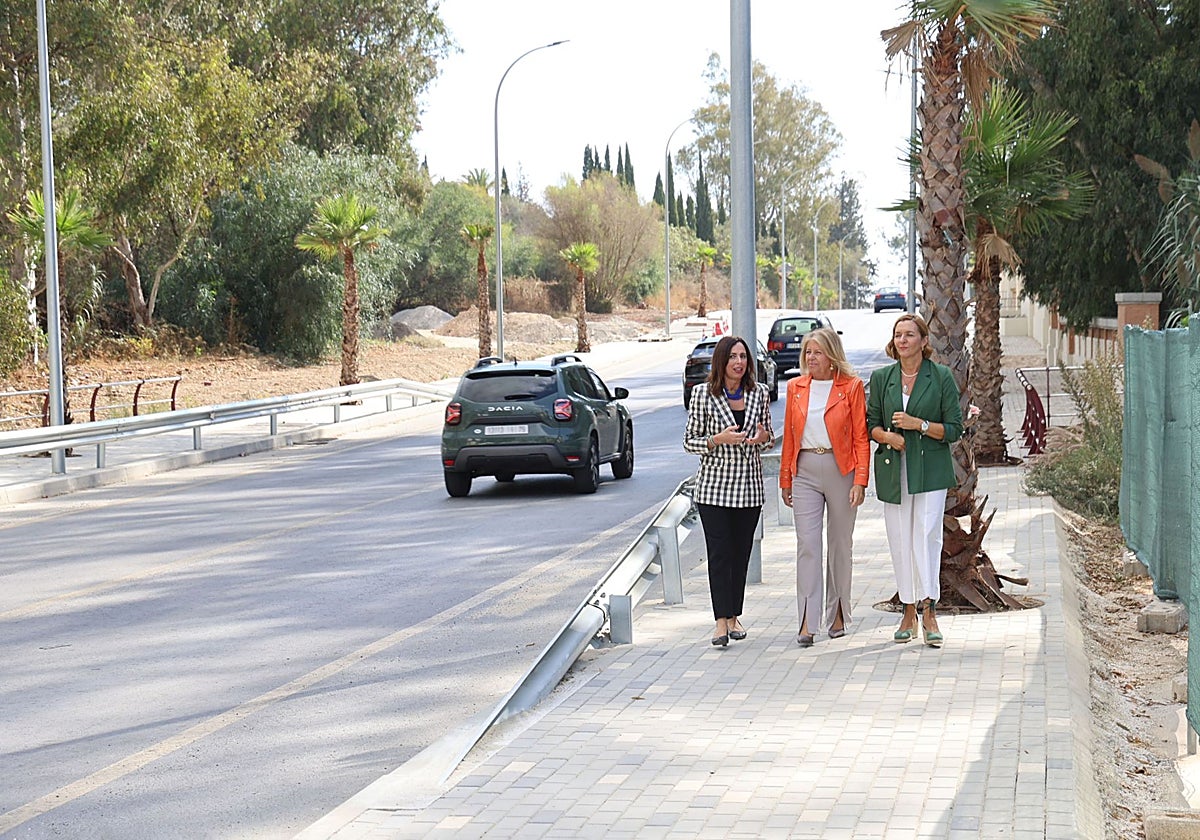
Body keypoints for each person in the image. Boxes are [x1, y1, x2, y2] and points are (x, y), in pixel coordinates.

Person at [866, 314, 964, 647]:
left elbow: (953, 429)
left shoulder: (940, 377)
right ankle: (907, 610)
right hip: (895, 468)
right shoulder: (882, 378)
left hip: (931, 470)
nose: (903, 340)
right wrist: (889, 438)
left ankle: (929, 608)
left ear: (924, 340)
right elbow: (872, 425)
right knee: (899, 537)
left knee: (926, 534)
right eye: (898, 335)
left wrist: (917, 424)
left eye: (910, 334)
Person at [778, 328, 869, 647]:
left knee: (840, 544)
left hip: (841, 469)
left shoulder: (851, 387)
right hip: (804, 470)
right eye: (807, 352)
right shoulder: (796, 388)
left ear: (832, 356)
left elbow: (861, 436)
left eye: (817, 352)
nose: (811, 358)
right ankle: (807, 619)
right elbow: (789, 435)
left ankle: (839, 613)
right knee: (808, 545)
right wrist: (785, 479)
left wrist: (860, 479)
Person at [684, 335, 775, 647]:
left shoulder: (760, 392)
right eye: (733, 357)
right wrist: (717, 439)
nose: (739, 362)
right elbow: (689, 441)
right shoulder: (702, 395)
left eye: (743, 357)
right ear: (721, 361)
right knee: (720, 554)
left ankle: (735, 615)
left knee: (741, 555)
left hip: (749, 489)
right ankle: (720, 622)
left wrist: (763, 436)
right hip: (714, 489)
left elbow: (769, 435)